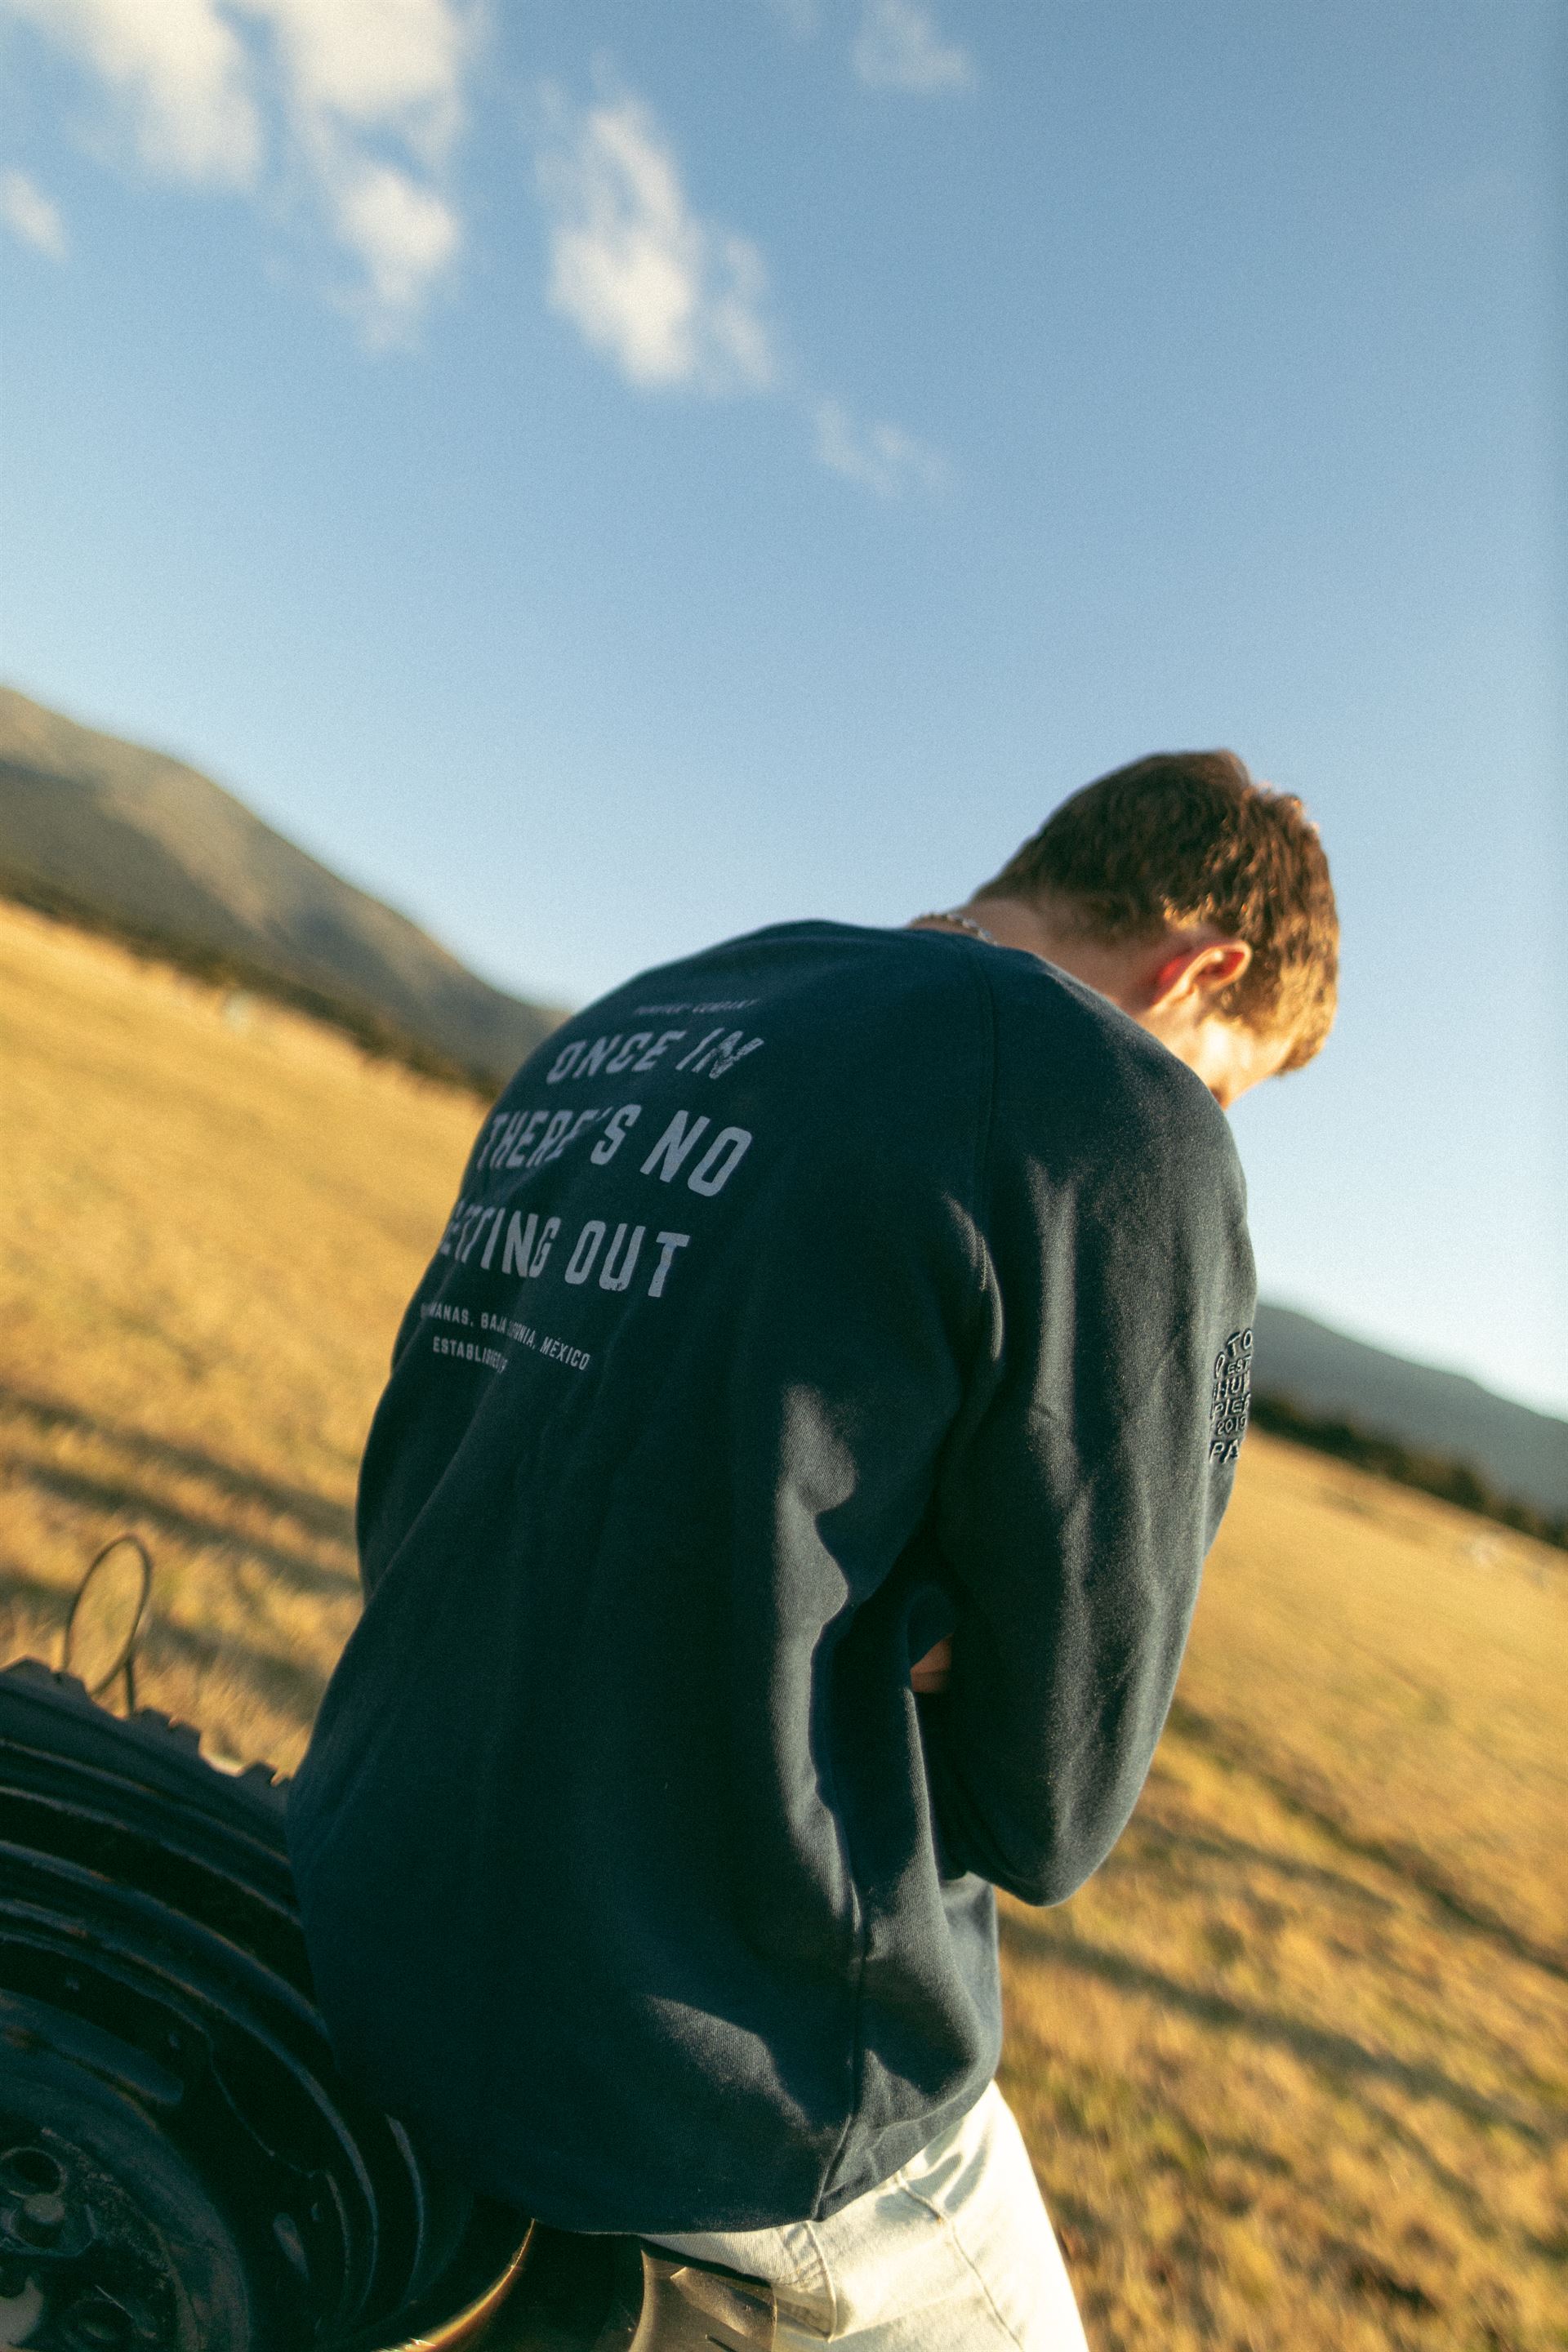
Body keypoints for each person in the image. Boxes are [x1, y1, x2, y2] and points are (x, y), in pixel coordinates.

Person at [287, 748, 1338, 2348]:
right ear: (1206, 971)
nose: (1212, 1115)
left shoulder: (646, 1019)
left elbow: (423, 1490)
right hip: (717, 2075)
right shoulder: (1120, 1113)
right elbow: (1050, 1805)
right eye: (1233, 1076)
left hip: (365, 1898)